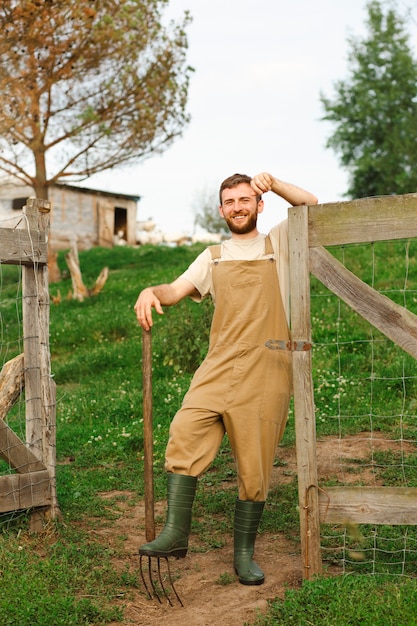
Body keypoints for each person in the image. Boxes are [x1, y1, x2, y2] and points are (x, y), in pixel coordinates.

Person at [134, 172, 318, 585]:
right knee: (184, 428)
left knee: (254, 468)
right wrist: (151, 291)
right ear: (221, 210)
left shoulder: (280, 245)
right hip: (218, 366)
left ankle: (243, 555)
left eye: (245, 199)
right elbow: (175, 290)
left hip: (267, 369)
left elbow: (310, 206)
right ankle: (176, 534)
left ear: (259, 204)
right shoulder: (212, 256)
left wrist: (276, 182)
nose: (237, 207)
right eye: (230, 202)